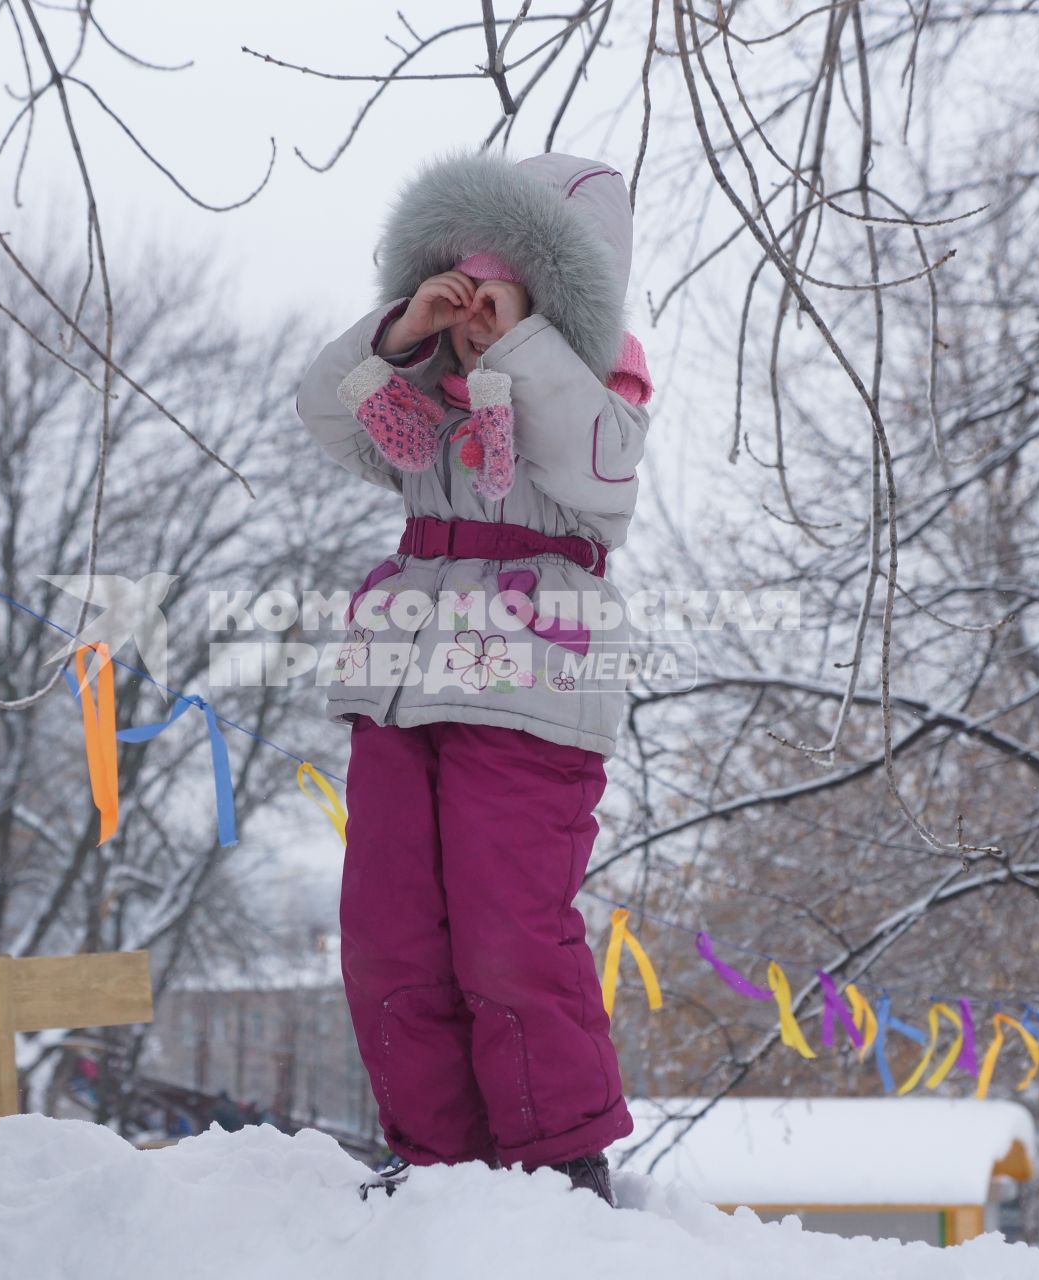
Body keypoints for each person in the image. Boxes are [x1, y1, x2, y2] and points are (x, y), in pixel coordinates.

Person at [295, 151, 654, 1208]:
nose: (473, 312)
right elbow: (322, 410)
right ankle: (436, 1158)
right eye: (461, 283)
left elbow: (602, 478)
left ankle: (558, 1160)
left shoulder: (598, 387)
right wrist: (399, 334)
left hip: (530, 686)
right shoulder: (419, 402)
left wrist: (526, 341)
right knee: (387, 926)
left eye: (501, 285)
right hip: (404, 681)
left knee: (507, 927)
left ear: (558, 291)